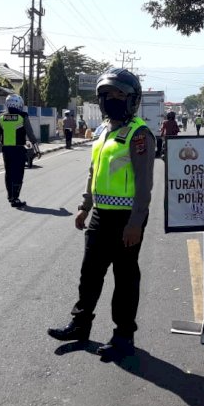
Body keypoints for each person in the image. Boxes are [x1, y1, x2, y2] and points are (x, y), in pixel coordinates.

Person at [48, 68, 155, 361]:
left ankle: (123, 337)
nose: (112, 100)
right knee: (90, 274)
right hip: (100, 217)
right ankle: (80, 325)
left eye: (119, 95)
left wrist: (135, 223)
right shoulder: (102, 131)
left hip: (126, 220)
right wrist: (85, 206)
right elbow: (94, 171)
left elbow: (145, 185)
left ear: (132, 99)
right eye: (107, 95)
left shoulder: (139, 134)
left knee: (124, 279)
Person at [0, 94, 41, 208]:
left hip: (6, 150)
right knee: (18, 174)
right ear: (19, 104)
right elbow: (30, 134)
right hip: (18, 149)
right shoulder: (22, 116)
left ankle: (10, 196)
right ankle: (15, 198)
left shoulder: (1, 116)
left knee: (9, 173)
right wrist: (37, 149)